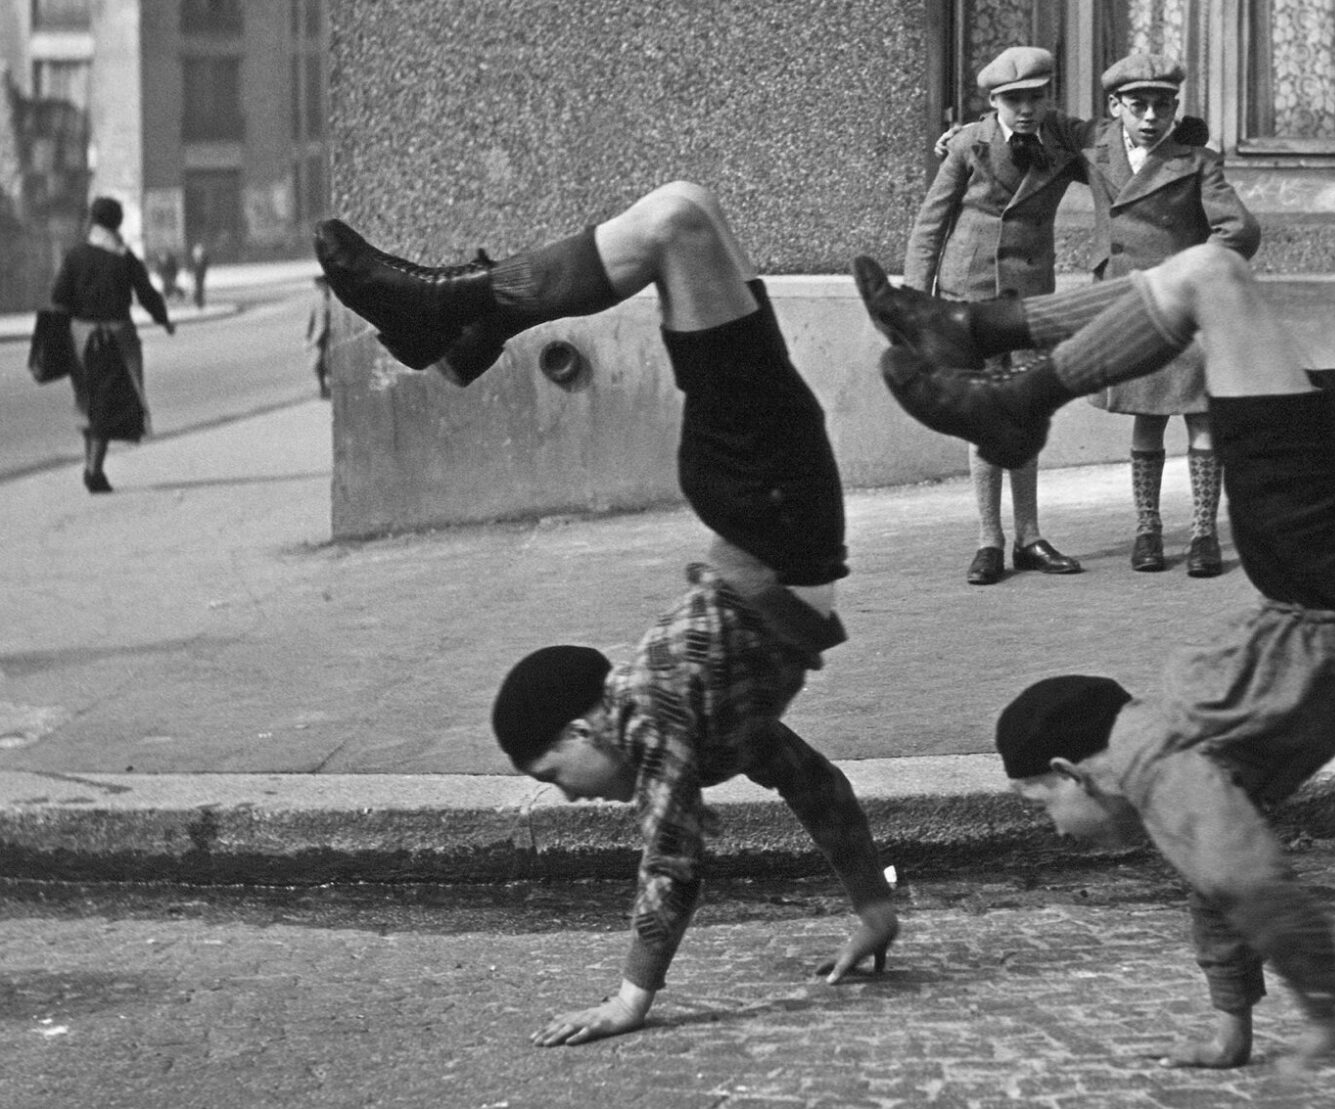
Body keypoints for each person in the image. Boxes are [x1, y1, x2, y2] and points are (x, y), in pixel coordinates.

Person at [312, 181, 899, 1047]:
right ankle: (466, 324)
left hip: (771, 502)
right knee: (684, 218)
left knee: (678, 222)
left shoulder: (656, 712)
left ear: (589, 726)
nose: (571, 798)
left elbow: (672, 860)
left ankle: (462, 313)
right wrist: (873, 905)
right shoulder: (713, 724)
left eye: (553, 774)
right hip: (772, 502)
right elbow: (818, 785)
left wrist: (631, 998)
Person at [852, 243, 1335, 1069]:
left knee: (1210, 280)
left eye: (1042, 802)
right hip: (1322, 568)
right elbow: (1223, 877)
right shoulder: (1170, 763)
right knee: (1209, 280)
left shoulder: (1154, 761)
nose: (1053, 828)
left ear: (1072, 768)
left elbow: (1243, 880)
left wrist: (1321, 1004)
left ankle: (1004, 385)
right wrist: (1242, 1016)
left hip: (1331, 569)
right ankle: (980, 345)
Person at [906, 46, 1086, 584]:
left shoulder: (1062, 141)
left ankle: (1030, 537)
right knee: (983, 416)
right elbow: (929, 226)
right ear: (993, 102)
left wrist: (1186, 137)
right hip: (971, 293)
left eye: (1036, 97)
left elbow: (1116, 146)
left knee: (1027, 412)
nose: (1026, 109)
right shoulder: (969, 144)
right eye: (1013, 101)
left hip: (1029, 299)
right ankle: (989, 540)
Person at [1083, 54, 1259, 576]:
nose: (1151, 117)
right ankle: (1148, 531)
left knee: (1201, 416)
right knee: (1147, 418)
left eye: (1163, 105)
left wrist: (1196, 270)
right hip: (1130, 304)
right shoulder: (1096, 151)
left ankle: (1204, 532)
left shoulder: (1196, 161)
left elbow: (1240, 230)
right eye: (1138, 105)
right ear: (1115, 107)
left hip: (1184, 307)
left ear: (1175, 109)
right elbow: (1035, 128)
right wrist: (960, 136)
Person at [49, 196, 176, 493]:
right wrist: (164, 321)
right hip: (117, 340)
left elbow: (58, 297)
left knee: (89, 402)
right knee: (106, 406)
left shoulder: (75, 255)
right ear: (118, 223)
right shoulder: (124, 257)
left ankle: (92, 467)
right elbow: (146, 294)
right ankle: (94, 471)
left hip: (81, 340)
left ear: (93, 221)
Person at [305, 274, 333, 398]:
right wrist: (308, 336)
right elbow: (312, 318)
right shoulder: (317, 299)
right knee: (319, 363)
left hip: (334, 335)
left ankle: (330, 386)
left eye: (322, 285)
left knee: (330, 362)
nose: (320, 288)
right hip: (321, 335)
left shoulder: (335, 298)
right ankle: (323, 388)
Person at [188, 241, 210, 309]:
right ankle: (197, 301)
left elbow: (205, 265)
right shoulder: (194, 259)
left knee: (199, 288)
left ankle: (199, 302)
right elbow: (191, 266)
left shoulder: (204, 258)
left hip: (200, 275)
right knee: (195, 288)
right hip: (196, 275)